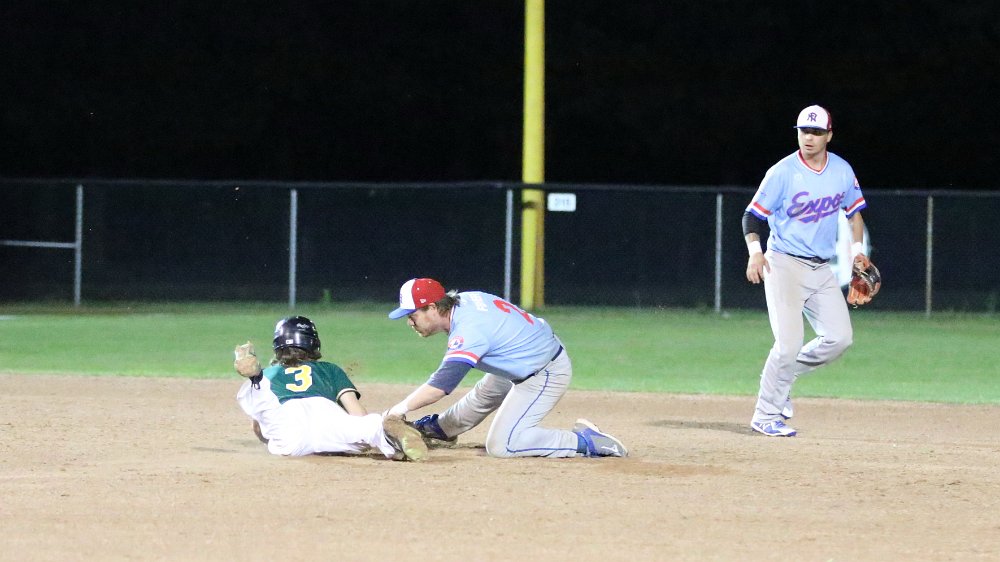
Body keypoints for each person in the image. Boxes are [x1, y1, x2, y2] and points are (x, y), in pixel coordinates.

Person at [383, 278, 627, 458]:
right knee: (480, 398)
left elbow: (440, 386)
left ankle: (585, 442)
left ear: (433, 307)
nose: (409, 322)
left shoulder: (469, 330)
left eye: (412, 315)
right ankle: (436, 430)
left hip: (545, 372)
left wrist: (396, 411)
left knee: (503, 445)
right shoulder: (465, 300)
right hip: (526, 356)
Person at [742, 104, 871, 437]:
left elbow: (854, 214)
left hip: (821, 269)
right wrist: (755, 253)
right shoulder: (782, 172)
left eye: (816, 132)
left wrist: (857, 252)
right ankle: (765, 415)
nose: (809, 137)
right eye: (803, 131)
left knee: (839, 338)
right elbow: (752, 216)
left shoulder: (841, 171)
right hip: (784, 264)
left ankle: (782, 378)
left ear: (829, 135)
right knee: (788, 344)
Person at [233, 315, 428, 461]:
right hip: (327, 415)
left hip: (288, 427)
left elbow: (258, 427)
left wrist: (268, 438)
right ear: (313, 343)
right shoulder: (329, 369)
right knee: (367, 428)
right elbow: (357, 413)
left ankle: (254, 378)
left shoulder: (271, 373)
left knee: (262, 396)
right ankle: (385, 433)